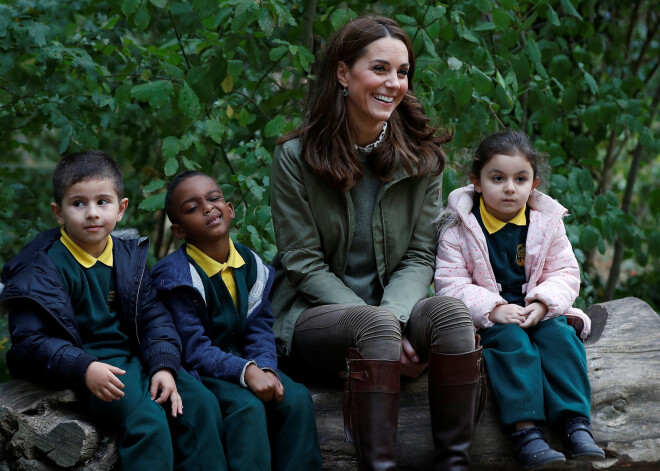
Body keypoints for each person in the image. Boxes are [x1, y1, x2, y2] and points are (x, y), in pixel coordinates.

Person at [270, 15, 482, 471]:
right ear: (343, 74)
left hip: (396, 313)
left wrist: (393, 321)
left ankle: (456, 463)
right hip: (315, 318)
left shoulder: (423, 159)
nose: (394, 82)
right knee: (376, 328)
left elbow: (422, 254)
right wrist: (381, 327)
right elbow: (303, 263)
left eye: (403, 72)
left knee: (451, 314)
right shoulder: (294, 158)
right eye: (380, 68)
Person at [0, 151, 227, 471]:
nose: (92, 213)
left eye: (102, 202)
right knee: (148, 422)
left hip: (138, 358)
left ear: (121, 209)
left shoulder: (128, 258)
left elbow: (154, 318)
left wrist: (163, 365)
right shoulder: (42, 269)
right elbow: (29, 342)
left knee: (201, 405)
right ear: (58, 213)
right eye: (78, 203)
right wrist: (83, 367)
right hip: (87, 367)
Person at [434, 130, 605, 468]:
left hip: (538, 310)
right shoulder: (458, 229)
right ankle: (527, 433)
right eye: (497, 178)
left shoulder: (547, 224)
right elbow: (449, 284)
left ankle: (575, 425)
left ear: (533, 184)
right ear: (477, 182)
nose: (509, 187)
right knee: (512, 344)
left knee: (560, 337)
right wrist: (494, 309)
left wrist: (543, 304)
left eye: (520, 178)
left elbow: (566, 273)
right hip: (490, 318)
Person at [151, 171, 322, 471]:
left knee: (294, 398)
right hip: (198, 372)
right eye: (192, 208)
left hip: (245, 363)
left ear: (229, 209)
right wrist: (248, 372)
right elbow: (194, 349)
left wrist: (266, 368)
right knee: (247, 408)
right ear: (178, 230)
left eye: (214, 199)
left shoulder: (251, 265)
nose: (207, 208)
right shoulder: (176, 277)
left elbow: (259, 328)